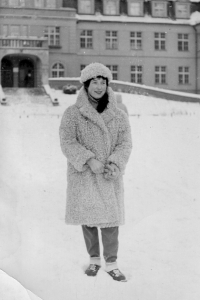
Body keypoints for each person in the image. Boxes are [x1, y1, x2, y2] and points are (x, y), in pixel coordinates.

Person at [59, 62, 132, 282]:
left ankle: (112, 263)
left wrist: (115, 164)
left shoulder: (119, 114)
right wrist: (89, 160)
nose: (99, 86)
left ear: (107, 85)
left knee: (110, 220)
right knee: (88, 218)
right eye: (94, 82)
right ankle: (94, 260)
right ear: (86, 85)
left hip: (109, 175)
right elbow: (67, 142)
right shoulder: (72, 113)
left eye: (103, 82)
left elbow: (125, 144)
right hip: (84, 174)